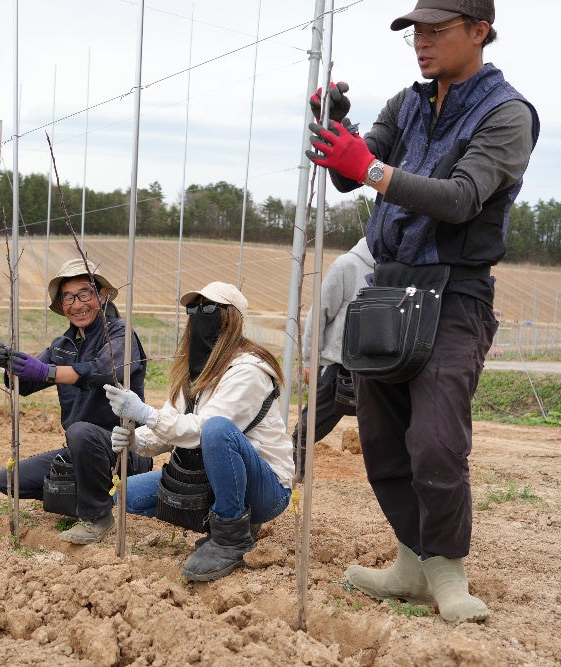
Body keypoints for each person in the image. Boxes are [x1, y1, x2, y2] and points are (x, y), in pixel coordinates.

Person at [305, 0, 539, 624]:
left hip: (455, 291)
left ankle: (447, 567)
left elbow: (460, 199)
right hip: (388, 286)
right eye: (416, 32)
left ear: (479, 31)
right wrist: (336, 134)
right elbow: (348, 177)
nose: (421, 43)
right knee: (382, 440)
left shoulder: (507, 114)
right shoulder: (406, 104)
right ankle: (411, 559)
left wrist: (371, 167)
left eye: (437, 31)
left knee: (436, 441)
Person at [104, 282, 294, 581]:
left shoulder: (249, 371)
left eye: (209, 308)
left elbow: (202, 431)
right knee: (124, 496)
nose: (198, 315)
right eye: (194, 309)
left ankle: (231, 536)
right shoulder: (196, 370)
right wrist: (135, 439)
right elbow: (170, 424)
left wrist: (144, 413)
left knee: (217, 430)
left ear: (232, 318)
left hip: (266, 488)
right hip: (212, 476)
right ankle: (232, 519)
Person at [0, 258, 153, 545]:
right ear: (61, 305)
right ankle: (90, 491)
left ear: (102, 296)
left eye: (84, 294)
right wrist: (11, 366)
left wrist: (48, 372)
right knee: (8, 480)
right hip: (80, 452)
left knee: (79, 430)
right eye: (68, 297)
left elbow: (104, 371)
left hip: (124, 449)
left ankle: (97, 516)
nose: (77, 304)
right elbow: (24, 385)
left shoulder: (120, 334)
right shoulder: (61, 346)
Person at [291, 237, 374, 454]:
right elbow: (318, 313)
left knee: (384, 429)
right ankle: (293, 469)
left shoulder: (395, 269)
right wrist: (310, 359)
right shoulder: (346, 265)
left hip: (375, 365)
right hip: (337, 365)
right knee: (308, 430)